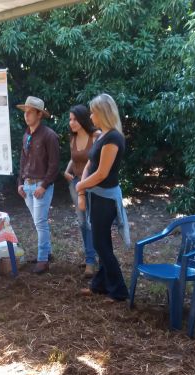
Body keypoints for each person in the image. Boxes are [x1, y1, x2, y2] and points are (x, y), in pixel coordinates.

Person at [75, 94, 130, 302]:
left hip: (106, 199)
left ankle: (119, 291)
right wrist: (82, 188)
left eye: (93, 112)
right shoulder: (101, 135)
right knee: (101, 242)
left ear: (103, 113)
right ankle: (100, 285)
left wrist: (81, 185)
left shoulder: (113, 138)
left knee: (101, 244)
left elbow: (102, 173)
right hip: (97, 196)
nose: (90, 116)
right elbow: (90, 164)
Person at [16, 96, 60, 274]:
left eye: (30, 112)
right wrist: (20, 183)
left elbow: (54, 165)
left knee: (40, 223)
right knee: (38, 222)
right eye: (25, 112)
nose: (26, 115)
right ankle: (46, 253)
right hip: (27, 185)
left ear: (39, 114)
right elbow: (23, 161)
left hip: (41, 185)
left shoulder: (49, 135)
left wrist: (44, 185)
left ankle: (43, 259)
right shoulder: (26, 134)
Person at [64, 105, 99, 278]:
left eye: (75, 119)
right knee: (82, 222)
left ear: (83, 119)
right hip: (76, 184)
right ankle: (90, 256)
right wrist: (66, 170)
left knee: (91, 222)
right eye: (70, 119)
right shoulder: (73, 138)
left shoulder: (96, 136)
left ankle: (92, 261)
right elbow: (74, 157)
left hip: (93, 184)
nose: (71, 123)